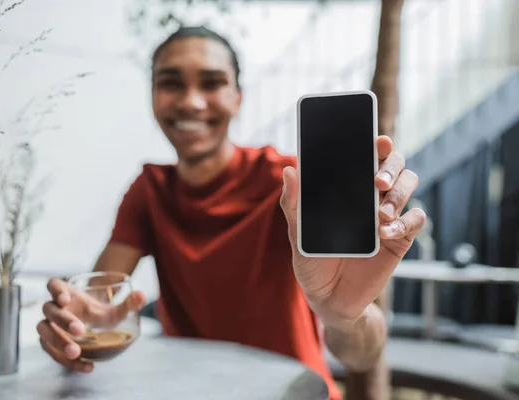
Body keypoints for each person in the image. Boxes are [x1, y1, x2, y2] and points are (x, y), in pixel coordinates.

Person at [36, 26, 425, 400]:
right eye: (171, 82)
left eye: (211, 82)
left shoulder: (292, 184)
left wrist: (344, 316)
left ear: (238, 97)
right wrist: (79, 325)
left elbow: (362, 355)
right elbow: (101, 302)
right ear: (152, 95)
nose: (191, 100)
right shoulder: (150, 191)